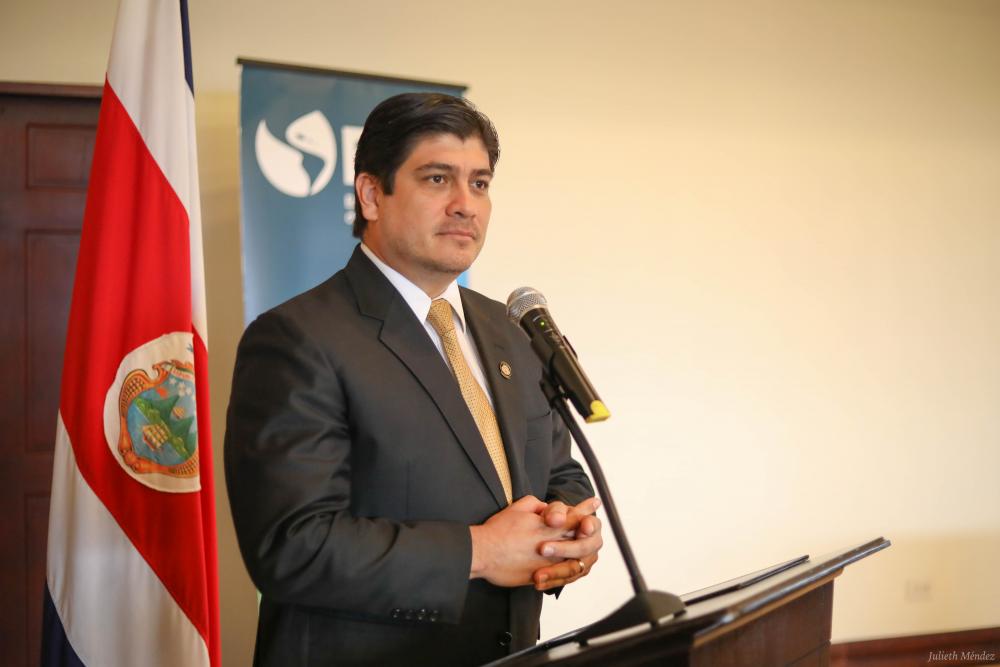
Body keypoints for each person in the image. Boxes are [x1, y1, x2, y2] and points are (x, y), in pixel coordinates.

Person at [225, 92, 603, 666]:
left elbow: (559, 473)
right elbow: (293, 546)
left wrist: (567, 530)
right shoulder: (297, 337)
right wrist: (479, 551)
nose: (465, 205)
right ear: (371, 195)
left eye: (480, 183)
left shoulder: (510, 330)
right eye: (437, 179)